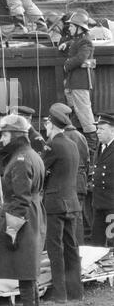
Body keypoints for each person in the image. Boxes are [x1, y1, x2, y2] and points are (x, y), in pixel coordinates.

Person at [0, 114, 46, 306]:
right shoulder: (31, 154)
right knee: (29, 267)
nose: (1, 140)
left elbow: (20, 199)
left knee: (24, 268)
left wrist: (12, 231)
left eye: (4, 134)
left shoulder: (20, 160)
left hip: (23, 217)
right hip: (33, 214)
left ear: (15, 135)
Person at [42, 106, 83, 303]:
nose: (45, 127)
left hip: (55, 204)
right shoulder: (72, 144)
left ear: (52, 124)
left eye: (47, 123)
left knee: (55, 248)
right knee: (72, 247)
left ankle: (59, 293)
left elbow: (40, 171)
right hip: (72, 202)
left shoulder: (52, 145)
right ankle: (76, 291)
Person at [58, 10, 98, 160]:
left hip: (80, 83)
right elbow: (76, 44)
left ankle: (92, 150)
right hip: (74, 83)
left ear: (79, 27)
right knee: (76, 114)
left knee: (85, 116)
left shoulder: (85, 41)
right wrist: (67, 44)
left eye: (71, 26)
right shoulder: (79, 40)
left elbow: (81, 57)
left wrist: (66, 65)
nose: (68, 29)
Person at [49, 102, 90, 245]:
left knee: (65, 226)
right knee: (77, 219)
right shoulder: (80, 136)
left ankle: (71, 255)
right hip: (80, 182)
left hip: (63, 187)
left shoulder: (57, 139)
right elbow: (87, 161)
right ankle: (78, 253)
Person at [91, 113, 114, 247]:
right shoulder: (100, 146)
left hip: (111, 205)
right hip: (99, 203)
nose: (97, 132)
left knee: (112, 243)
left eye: (102, 129)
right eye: (97, 128)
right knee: (96, 242)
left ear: (112, 130)